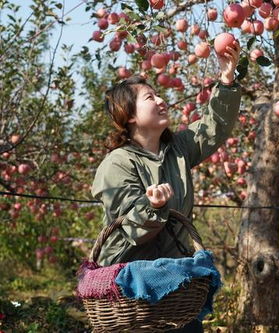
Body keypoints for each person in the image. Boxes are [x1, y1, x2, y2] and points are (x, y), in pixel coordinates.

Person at [91, 43, 241, 332]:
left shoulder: (178, 149)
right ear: (130, 115)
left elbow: (215, 127)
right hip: (131, 291)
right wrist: (153, 208)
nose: (161, 101)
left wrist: (226, 80)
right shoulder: (117, 164)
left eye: (159, 95)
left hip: (176, 284)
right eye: (150, 97)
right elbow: (132, 230)